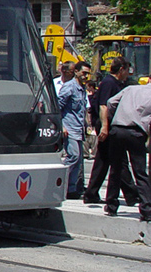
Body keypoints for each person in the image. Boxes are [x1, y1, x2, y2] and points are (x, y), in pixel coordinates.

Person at [82, 58, 138, 205]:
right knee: (120, 160)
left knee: (103, 160)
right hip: (108, 124)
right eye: (127, 70)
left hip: (111, 125)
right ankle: (132, 194)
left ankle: (91, 193)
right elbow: (103, 106)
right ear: (121, 70)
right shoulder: (109, 83)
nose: (127, 74)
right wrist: (105, 127)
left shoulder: (115, 83)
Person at [103, 81, 151, 220]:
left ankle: (111, 205)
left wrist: (115, 116)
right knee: (140, 171)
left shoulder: (131, 88)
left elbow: (111, 102)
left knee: (115, 169)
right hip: (136, 132)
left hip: (118, 128)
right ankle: (146, 208)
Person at [57, 60, 92, 200]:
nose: (86, 76)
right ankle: (58, 179)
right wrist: (61, 126)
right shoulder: (69, 87)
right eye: (83, 73)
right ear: (76, 72)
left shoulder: (82, 88)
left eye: (88, 74)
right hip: (69, 128)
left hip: (78, 129)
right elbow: (58, 107)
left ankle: (71, 189)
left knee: (77, 161)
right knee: (73, 156)